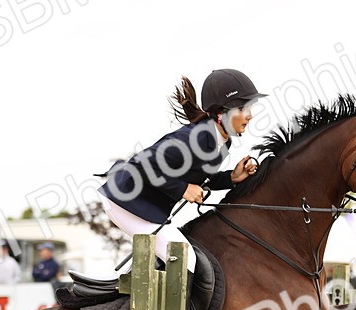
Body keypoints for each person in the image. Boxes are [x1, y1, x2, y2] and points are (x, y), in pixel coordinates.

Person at [97, 69, 264, 276]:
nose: (249, 115)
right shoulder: (192, 139)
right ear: (221, 113)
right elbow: (142, 164)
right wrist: (182, 188)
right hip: (125, 202)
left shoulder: (222, 142)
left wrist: (231, 178)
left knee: (178, 258)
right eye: (242, 108)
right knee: (186, 260)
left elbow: (200, 178)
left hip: (142, 205)